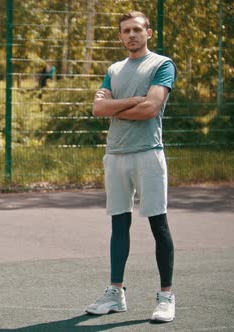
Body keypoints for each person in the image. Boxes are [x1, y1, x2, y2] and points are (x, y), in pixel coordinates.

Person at [86, 11, 177, 323]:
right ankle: (115, 293)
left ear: (148, 32)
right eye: (126, 31)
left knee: (158, 225)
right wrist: (132, 101)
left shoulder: (162, 65)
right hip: (115, 155)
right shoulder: (113, 69)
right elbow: (97, 107)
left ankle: (165, 296)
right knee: (118, 225)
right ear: (120, 36)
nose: (131, 35)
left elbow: (151, 108)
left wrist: (115, 107)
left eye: (137, 29)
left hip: (148, 154)